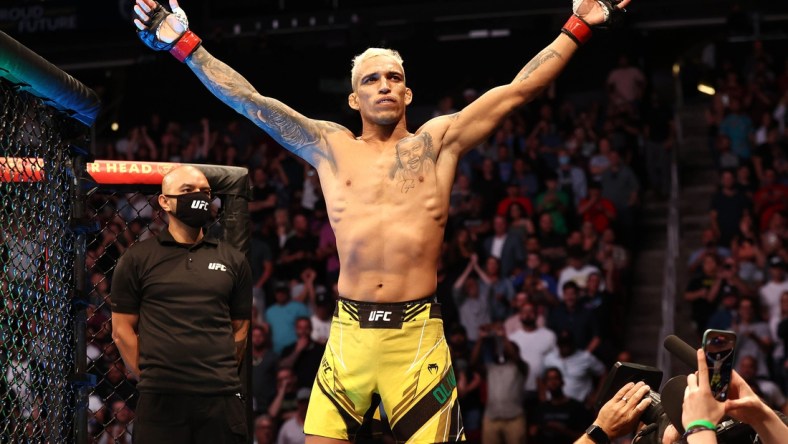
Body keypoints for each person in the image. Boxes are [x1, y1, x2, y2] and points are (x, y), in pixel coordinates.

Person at [131, 0, 632, 442]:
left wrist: (578, 26)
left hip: (416, 337)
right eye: (371, 79)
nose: (384, 85)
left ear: (408, 93)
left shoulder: (438, 143)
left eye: (394, 77)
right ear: (354, 99)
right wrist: (186, 45)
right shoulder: (330, 146)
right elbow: (253, 103)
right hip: (348, 335)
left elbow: (518, 90)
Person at [111, 165, 252, 443]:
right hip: (162, 402)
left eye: (205, 192)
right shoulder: (138, 258)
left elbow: (241, 330)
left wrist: (216, 374)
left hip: (220, 399)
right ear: (164, 201)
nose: (199, 197)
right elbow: (121, 331)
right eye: (187, 191)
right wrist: (156, 377)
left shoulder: (233, 260)